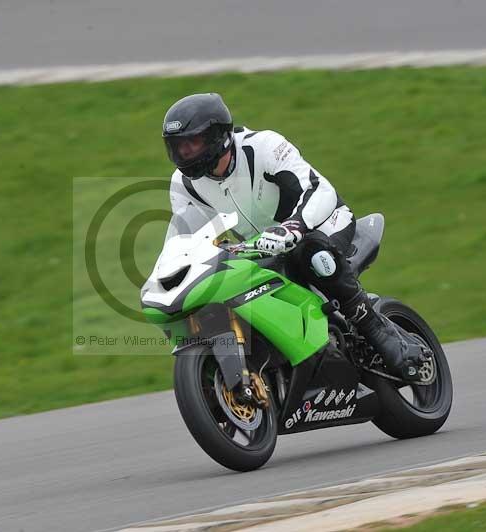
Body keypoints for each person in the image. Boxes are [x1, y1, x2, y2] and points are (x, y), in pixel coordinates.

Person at [161, 93, 429, 381]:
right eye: (179, 147)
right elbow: (184, 238)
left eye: (192, 143)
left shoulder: (263, 146)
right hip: (261, 247)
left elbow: (318, 189)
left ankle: (379, 331)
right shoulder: (184, 184)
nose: (185, 153)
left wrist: (294, 227)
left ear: (217, 136)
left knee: (312, 254)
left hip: (323, 222)